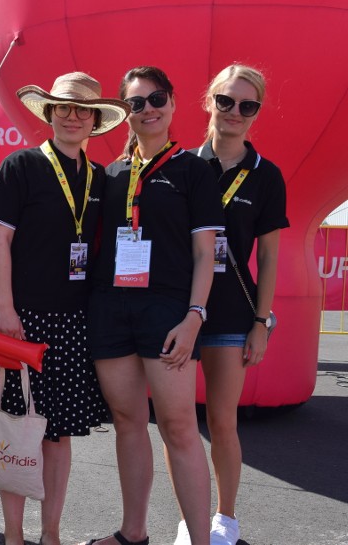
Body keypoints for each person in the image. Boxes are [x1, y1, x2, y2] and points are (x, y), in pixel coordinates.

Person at [0, 72, 130, 545]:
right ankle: (14, 536)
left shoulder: (100, 178)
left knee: (57, 435)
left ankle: (52, 534)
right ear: (50, 113)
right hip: (19, 317)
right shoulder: (20, 165)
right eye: (63, 107)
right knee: (15, 428)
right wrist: (6, 309)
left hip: (73, 321)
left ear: (95, 120)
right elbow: (0, 241)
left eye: (82, 109)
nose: (72, 116)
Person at [80, 66, 225, 545]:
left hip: (167, 310)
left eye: (156, 98)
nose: (148, 109)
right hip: (110, 306)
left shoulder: (195, 171)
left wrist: (194, 317)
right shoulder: (111, 173)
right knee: (127, 421)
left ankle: (200, 541)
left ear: (173, 102)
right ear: (124, 113)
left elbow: (207, 253)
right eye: (136, 103)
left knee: (179, 427)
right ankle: (133, 533)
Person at [170, 64, 289, 545]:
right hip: (177, 315)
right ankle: (189, 517)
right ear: (208, 102)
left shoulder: (266, 176)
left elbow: (269, 256)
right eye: (225, 101)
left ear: (256, 112)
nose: (235, 113)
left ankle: (225, 518)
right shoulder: (181, 166)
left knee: (222, 420)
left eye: (247, 105)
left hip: (231, 318)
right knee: (178, 424)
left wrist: (261, 322)